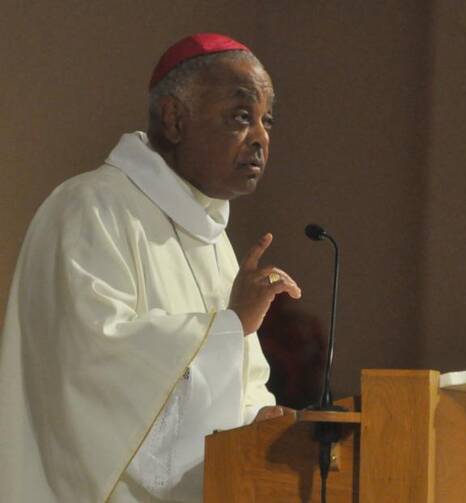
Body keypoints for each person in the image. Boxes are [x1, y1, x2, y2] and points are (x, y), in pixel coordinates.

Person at [0, 33, 301, 502]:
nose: (261, 138)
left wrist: (255, 420)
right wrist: (231, 325)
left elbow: (240, 380)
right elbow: (93, 370)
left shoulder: (212, 238)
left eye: (267, 121)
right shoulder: (90, 208)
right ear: (175, 119)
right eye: (241, 117)